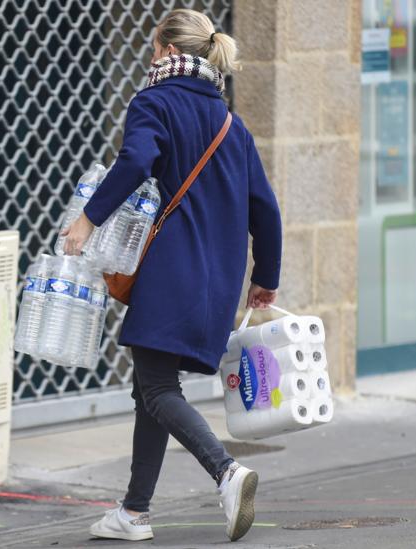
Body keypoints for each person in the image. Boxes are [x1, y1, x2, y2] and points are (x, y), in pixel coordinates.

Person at [59, 8, 282, 543]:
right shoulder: (232, 123)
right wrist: (265, 277)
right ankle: (134, 513)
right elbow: (266, 210)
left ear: (163, 50)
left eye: (151, 45)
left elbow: (135, 161)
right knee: (152, 387)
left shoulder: (153, 101)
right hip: (219, 281)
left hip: (170, 272)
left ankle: (227, 473)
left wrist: (87, 221)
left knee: (157, 387)